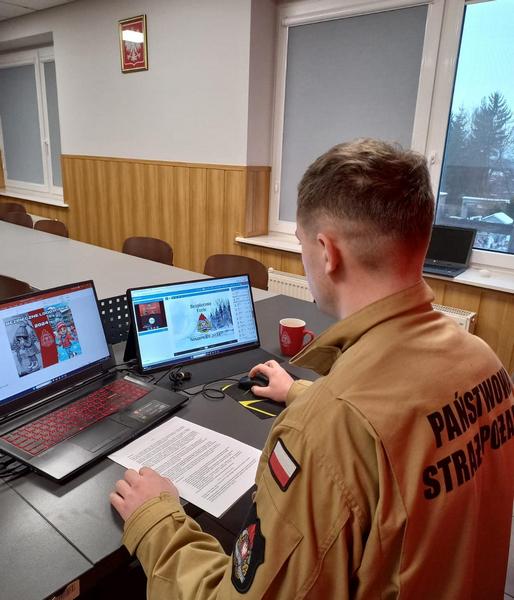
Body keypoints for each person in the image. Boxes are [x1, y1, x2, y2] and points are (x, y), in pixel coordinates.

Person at [110, 139, 514, 599]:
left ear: (326, 251)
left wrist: (156, 519)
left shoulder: (324, 429)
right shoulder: (484, 361)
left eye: (301, 245)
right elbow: (403, 432)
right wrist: (302, 393)